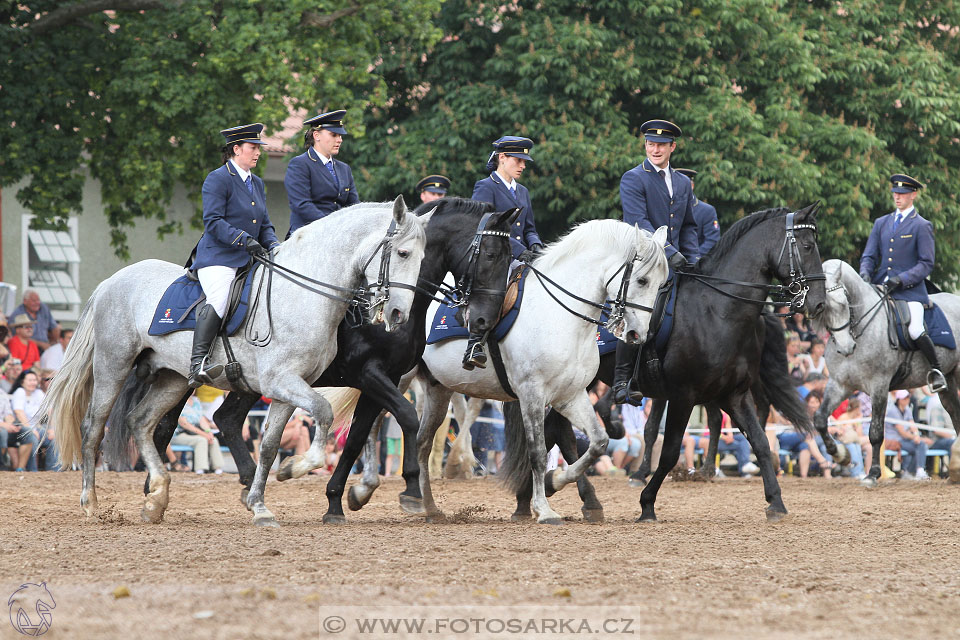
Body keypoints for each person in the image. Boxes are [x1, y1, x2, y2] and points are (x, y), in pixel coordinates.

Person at [186, 123, 281, 388]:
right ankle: (197, 363)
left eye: (258, 148)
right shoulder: (218, 178)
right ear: (236, 149)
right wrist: (243, 239)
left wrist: (272, 243)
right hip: (219, 257)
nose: (257, 153)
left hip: (249, 257)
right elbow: (213, 221)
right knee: (219, 298)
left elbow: (264, 223)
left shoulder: (257, 183)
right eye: (253, 148)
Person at [614, 119, 699, 405]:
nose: (655, 149)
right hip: (645, 259)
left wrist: (694, 258)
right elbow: (639, 221)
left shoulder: (683, 183)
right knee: (640, 310)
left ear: (672, 147)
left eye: (661, 145)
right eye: (651, 144)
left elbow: (688, 225)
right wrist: (669, 250)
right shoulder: (634, 178)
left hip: (675, 260)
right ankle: (623, 380)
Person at [860, 173, 945, 392]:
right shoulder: (882, 222)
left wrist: (902, 279)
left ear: (913, 195)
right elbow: (869, 256)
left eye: (903, 194)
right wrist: (865, 275)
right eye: (896, 193)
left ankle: (936, 370)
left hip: (910, 291)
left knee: (915, 328)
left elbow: (926, 263)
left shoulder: (921, 225)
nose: (898, 197)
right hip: (880, 286)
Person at [468, 135, 543, 370]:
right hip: (493, 257)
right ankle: (475, 342)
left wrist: (537, 247)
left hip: (521, 255)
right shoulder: (486, 186)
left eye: (524, 162)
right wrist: (520, 252)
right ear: (502, 158)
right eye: (518, 160)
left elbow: (529, 228)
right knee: (495, 289)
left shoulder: (523, 192)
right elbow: (484, 227)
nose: (522, 166)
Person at [284, 110, 359, 236]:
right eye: (334, 135)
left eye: (340, 136)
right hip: (308, 236)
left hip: (338, 235)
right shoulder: (300, 164)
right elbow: (302, 205)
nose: (339, 140)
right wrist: (332, 225)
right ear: (316, 135)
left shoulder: (344, 168)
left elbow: (354, 206)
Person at [173, 394, 224, 474]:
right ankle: (201, 469)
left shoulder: (196, 401)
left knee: (213, 439)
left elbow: (201, 419)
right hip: (178, 434)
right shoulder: (178, 401)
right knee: (201, 440)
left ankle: (217, 467)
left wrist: (208, 432)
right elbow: (184, 423)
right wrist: (204, 434)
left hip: (194, 433)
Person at [885, 389, 930, 479]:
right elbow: (902, 432)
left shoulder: (907, 409)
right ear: (899, 400)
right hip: (894, 440)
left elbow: (912, 425)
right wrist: (916, 437)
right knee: (920, 445)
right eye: (904, 398)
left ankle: (912, 471)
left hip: (903, 439)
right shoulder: (893, 411)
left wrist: (916, 435)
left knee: (920, 445)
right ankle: (916, 470)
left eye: (907, 398)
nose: (907, 400)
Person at [674, 168, 720, 256]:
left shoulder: (707, 211)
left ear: (692, 186)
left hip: (696, 263)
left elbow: (712, 241)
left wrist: (694, 259)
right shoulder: (666, 208)